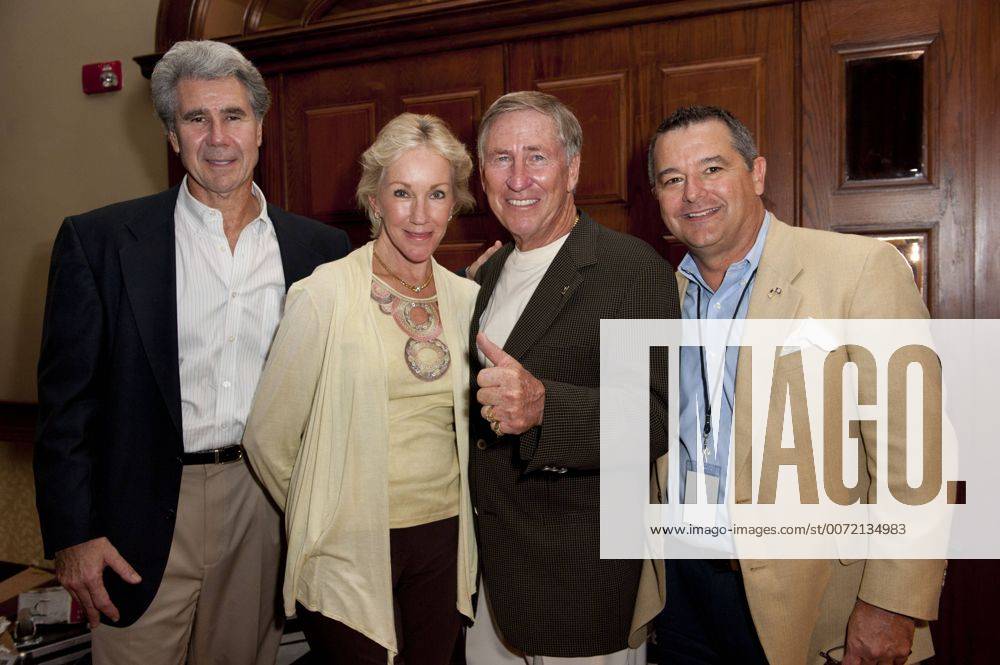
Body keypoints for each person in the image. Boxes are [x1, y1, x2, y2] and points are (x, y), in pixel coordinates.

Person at [33, 40, 350, 664]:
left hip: (266, 505)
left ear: (260, 126)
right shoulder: (98, 242)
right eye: (195, 119)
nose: (217, 137)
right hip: (139, 512)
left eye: (233, 116)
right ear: (172, 136)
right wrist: (74, 536)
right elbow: (64, 407)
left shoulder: (322, 250)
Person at [647, 105, 944, 665]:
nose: (693, 193)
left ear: (756, 174)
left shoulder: (858, 269)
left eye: (712, 169)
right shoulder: (660, 295)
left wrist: (892, 604)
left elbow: (917, 459)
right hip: (681, 595)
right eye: (672, 179)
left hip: (817, 603)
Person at [243, 112, 479, 664]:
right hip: (348, 545)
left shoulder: (467, 300)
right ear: (374, 201)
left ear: (454, 204)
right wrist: (322, 512)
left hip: (444, 540)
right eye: (403, 193)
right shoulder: (322, 295)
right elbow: (267, 436)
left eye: (437, 194)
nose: (420, 215)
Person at [464, 91, 679, 665]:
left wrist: (544, 410)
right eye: (500, 159)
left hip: (581, 586)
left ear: (573, 168)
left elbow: (655, 419)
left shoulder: (630, 271)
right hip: (491, 579)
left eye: (536, 156)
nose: (517, 178)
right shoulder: (484, 277)